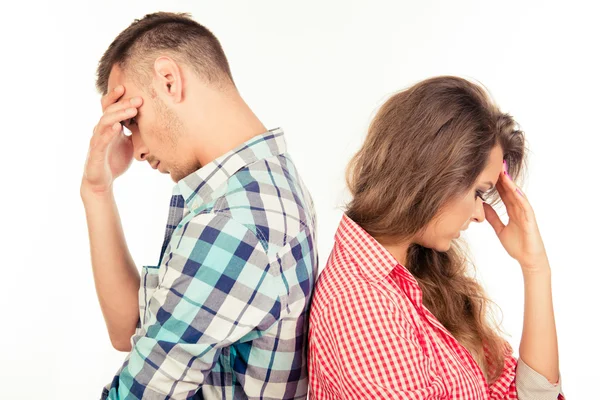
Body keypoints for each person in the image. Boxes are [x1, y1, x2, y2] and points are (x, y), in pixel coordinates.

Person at [81, 11, 317, 399]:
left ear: (169, 80)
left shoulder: (232, 224)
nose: (135, 149)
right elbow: (130, 330)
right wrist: (97, 190)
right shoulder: (269, 177)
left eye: (132, 120)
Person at [308, 76, 564, 399]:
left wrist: (536, 268)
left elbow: (530, 395)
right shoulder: (362, 306)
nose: (480, 214)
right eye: (478, 193)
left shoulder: (419, 277)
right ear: (436, 177)